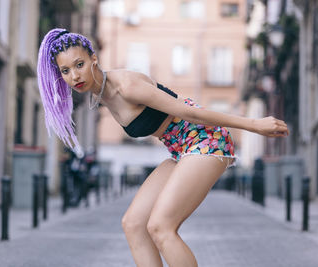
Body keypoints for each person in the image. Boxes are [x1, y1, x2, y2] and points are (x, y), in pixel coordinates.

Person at [37, 28, 289, 267]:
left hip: (205, 138)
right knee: (133, 224)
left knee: (161, 227)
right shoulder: (99, 95)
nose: (75, 76)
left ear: (94, 59)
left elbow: (191, 113)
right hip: (179, 149)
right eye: (65, 70)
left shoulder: (126, 86)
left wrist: (254, 124)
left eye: (79, 65)